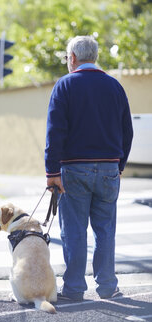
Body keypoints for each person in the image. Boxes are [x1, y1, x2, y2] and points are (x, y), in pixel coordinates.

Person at [45, 35, 133, 301]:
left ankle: (73, 289)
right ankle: (107, 287)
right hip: (108, 169)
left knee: (73, 231)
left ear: (72, 58)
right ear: (94, 57)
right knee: (105, 230)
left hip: (73, 170)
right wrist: (120, 165)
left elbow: (55, 133)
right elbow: (127, 132)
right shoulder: (115, 86)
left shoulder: (64, 86)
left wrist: (52, 173)